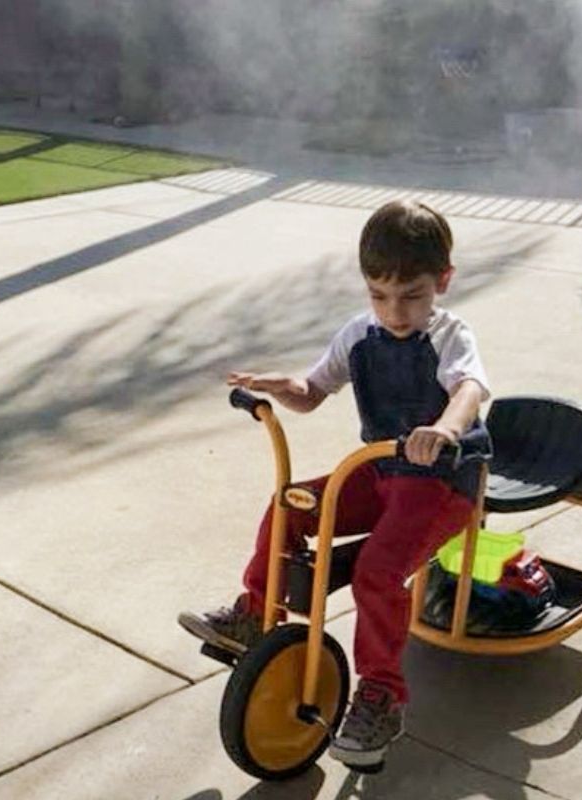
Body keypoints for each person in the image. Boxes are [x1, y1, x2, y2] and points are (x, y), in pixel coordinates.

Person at [179, 200, 491, 768]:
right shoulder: (360, 334)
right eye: (379, 294)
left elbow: (469, 389)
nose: (394, 312)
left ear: (442, 281)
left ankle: (381, 694)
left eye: (412, 295)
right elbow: (313, 391)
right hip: (377, 471)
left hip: (441, 483)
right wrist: (283, 385)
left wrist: (444, 427)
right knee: (291, 505)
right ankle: (257, 613)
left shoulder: (449, 335)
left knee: (376, 571)